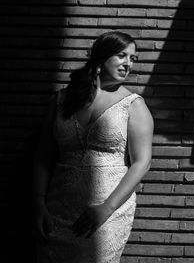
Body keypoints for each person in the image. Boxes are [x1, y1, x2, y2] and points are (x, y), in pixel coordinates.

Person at [33, 31, 154, 262]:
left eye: (133, 58)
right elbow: (42, 156)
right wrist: (38, 203)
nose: (128, 64)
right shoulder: (61, 100)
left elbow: (142, 163)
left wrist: (106, 209)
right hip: (57, 208)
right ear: (101, 57)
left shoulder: (134, 106)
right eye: (122, 55)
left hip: (107, 212)